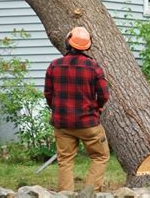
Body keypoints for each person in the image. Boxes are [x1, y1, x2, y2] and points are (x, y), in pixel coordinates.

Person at [44, 26, 110, 192]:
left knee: (65, 160)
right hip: (88, 123)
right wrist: (97, 108)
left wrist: (58, 110)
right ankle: (89, 193)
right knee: (100, 156)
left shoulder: (54, 65)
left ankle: (65, 195)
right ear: (88, 45)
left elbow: (48, 94)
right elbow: (104, 95)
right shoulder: (93, 67)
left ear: (68, 42)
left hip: (62, 124)